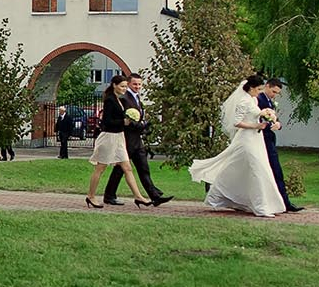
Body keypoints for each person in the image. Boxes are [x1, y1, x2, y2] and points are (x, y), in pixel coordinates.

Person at [188, 75, 286, 217]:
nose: (259, 92)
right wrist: (256, 125)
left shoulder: (252, 99)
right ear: (251, 88)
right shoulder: (243, 101)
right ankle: (261, 206)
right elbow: (237, 122)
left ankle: (229, 198)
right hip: (246, 139)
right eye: (258, 89)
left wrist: (267, 115)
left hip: (256, 139)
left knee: (242, 168)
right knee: (257, 169)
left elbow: (256, 113)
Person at [85, 73, 152, 209]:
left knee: (127, 168)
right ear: (114, 86)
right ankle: (91, 196)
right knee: (100, 168)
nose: (124, 89)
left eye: (125, 86)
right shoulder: (110, 100)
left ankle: (138, 197)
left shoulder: (118, 99)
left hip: (119, 137)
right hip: (109, 138)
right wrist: (124, 121)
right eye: (122, 86)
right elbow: (107, 122)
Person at [106, 74, 172, 205]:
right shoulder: (125, 98)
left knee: (143, 168)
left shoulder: (137, 98)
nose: (138, 87)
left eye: (140, 84)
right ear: (129, 84)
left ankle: (155, 196)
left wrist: (144, 126)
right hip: (127, 139)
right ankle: (109, 195)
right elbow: (126, 120)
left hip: (137, 140)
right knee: (120, 169)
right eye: (135, 84)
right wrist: (140, 125)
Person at [258, 77, 303, 212]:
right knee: (275, 171)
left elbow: (274, 118)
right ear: (267, 86)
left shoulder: (269, 102)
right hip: (262, 140)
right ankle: (283, 202)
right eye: (273, 91)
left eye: (277, 93)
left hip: (270, 139)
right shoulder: (259, 100)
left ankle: (283, 202)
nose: (274, 95)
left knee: (276, 172)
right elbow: (257, 119)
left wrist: (278, 123)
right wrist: (268, 124)